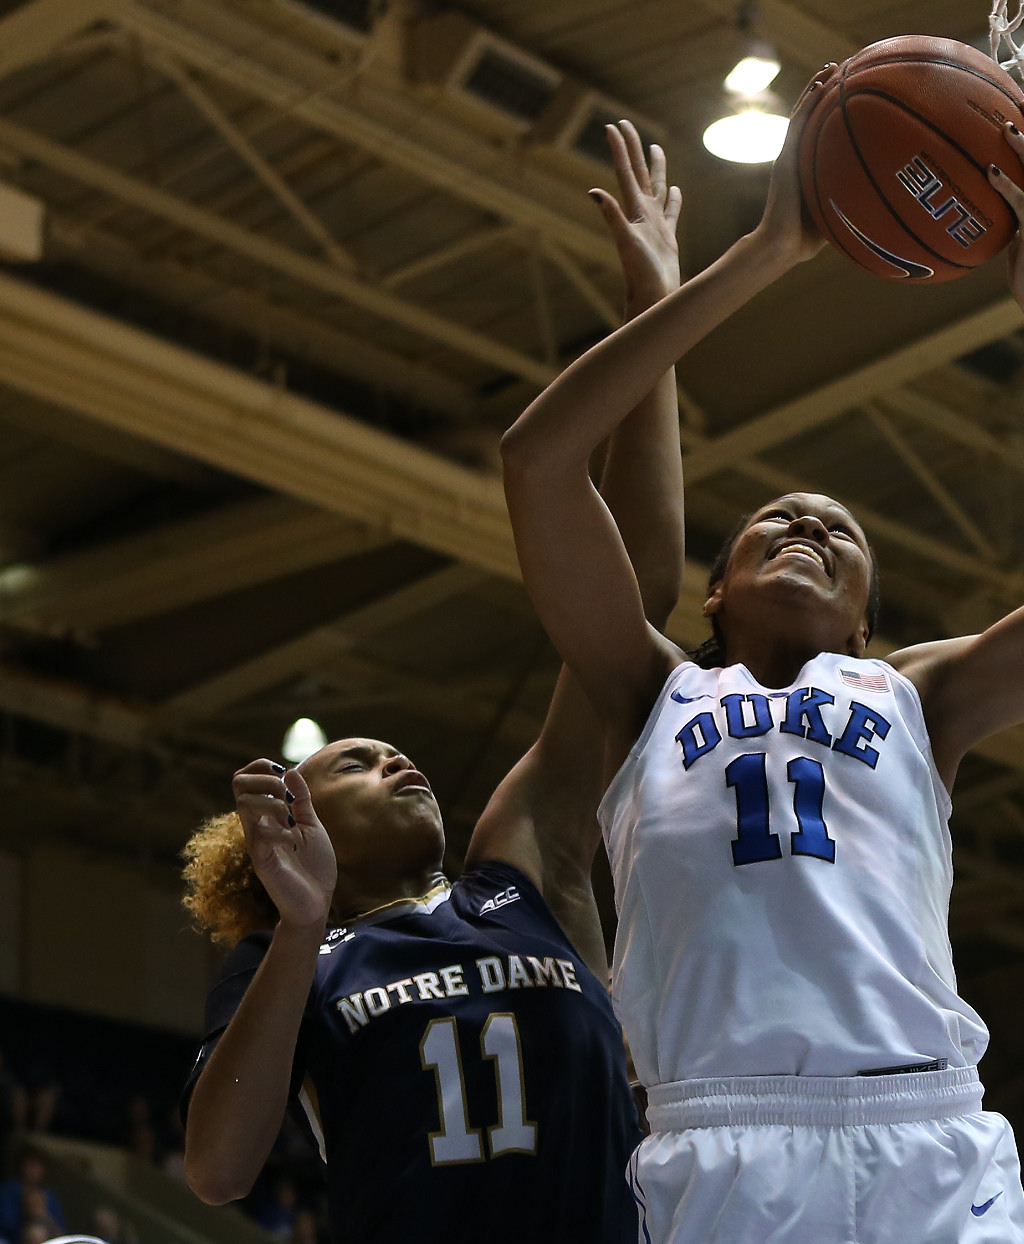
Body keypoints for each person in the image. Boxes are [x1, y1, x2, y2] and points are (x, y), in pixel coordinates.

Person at [500, 67, 1024, 1243]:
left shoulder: (921, 692)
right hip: (713, 1133)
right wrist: (765, 253)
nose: (812, 526)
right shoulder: (644, 689)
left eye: (843, 533)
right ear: (714, 590)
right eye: (776, 518)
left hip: (926, 1127)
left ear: (865, 621)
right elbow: (538, 460)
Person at [179, 121, 687, 1244]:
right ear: (288, 840)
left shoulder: (520, 867)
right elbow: (217, 1168)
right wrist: (301, 924)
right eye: (352, 759)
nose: (393, 754)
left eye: (385, 746)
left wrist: (655, 322)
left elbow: (633, 589)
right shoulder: (286, 960)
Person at [0, 1150, 64, 1244]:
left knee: (37, 1232)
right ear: (22, 1166)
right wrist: (25, 1209)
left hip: (45, 1239)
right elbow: (6, 1224)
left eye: (38, 1166)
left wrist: (42, 1215)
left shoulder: (50, 1197)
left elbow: (61, 1234)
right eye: (31, 1165)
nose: (34, 1170)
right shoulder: (9, 1190)